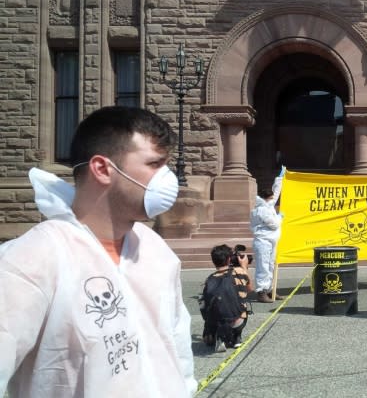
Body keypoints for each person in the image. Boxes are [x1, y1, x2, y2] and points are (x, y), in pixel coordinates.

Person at [0, 106, 196, 397]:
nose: (167, 179)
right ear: (103, 169)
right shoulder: (30, 260)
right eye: (154, 164)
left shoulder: (155, 250)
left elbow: (178, 352)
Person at [200, 244, 253, 352]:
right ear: (229, 259)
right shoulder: (239, 272)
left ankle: (219, 336)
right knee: (241, 302)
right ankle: (237, 338)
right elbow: (249, 289)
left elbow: (203, 305)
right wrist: (244, 267)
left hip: (216, 323)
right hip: (237, 322)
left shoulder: (209, 280)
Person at [250, 166, 285, 303]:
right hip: (263, 241)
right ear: (265, 199)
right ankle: (261, 292)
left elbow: (275, 194)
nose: (273, 200)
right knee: (263, 266)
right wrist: (280, 217)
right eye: (270, 198)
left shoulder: (267, 205)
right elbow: (274, 224)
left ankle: (270, 290)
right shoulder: (261, 210)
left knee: (270, 265)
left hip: (270, 240)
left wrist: (280, 178)